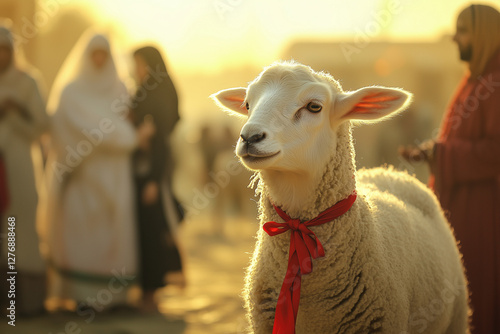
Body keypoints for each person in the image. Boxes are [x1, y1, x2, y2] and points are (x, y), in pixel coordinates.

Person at [400, 5, 500, 333]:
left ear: (484, 33)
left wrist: (443, 154)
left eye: (464, 30)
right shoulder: (476, 79)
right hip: (462, 209)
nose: (456, 38)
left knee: (479, 298)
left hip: (484, 216)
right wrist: (432, 154)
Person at [38, 31, 138, 312]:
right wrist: (125, 137)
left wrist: (123, 136)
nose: (98, 59)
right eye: (93, 53)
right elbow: (70, 130)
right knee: (82, 234)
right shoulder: (71, 93)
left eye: (102, 54)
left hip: (115, 176)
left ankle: (115, 297)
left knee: (113, 232)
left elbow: (122, 127)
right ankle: (82, 296)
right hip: (82, 175)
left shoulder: (120, 90)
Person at [131, 46, 184, 313]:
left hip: (153, 172)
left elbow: (161, 141)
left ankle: (151, 293)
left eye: (139, 64)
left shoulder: (158, 93)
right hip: (139, 171)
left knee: (153, 230)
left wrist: (153, 180)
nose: (136, 70)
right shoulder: (142, 91)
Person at [0, 23, 49, 316]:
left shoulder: (28, 82)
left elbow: (42, 126)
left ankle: (23, 303)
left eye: (4, 51)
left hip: (19, 168)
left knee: (18, 232)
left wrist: (15, 112)